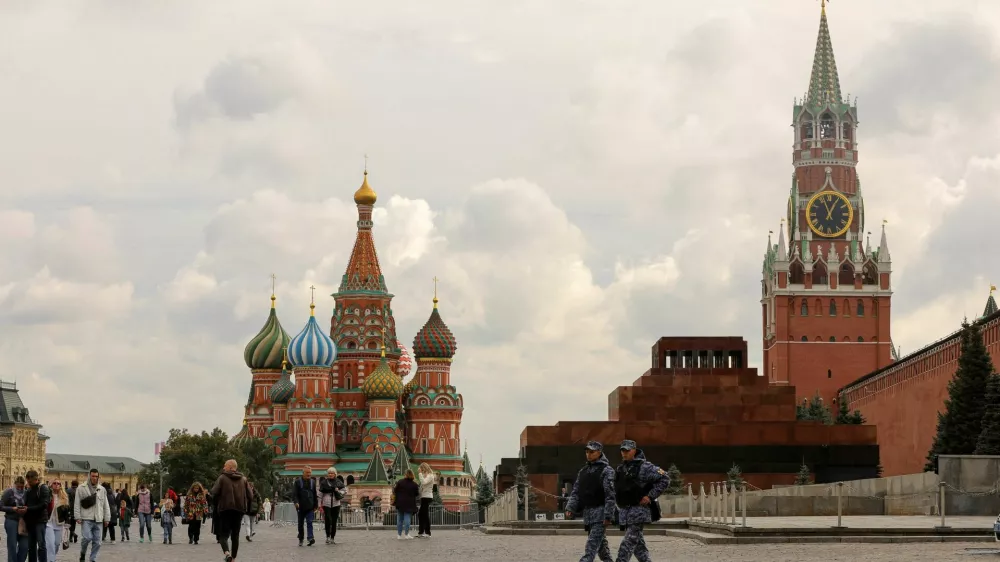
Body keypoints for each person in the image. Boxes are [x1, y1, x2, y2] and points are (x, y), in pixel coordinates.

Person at [614, 440, 669, 562]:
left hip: (638, 511)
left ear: (634, 450)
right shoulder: (621, 468)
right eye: (622, 450)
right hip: (625, 512)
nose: (624, 453)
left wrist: (650, 496)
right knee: (639, 547)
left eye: (627, 450)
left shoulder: (645, 466)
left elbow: (665, 478)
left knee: (626, 545)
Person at [565, 441, 616, 562]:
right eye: (587, 452)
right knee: (602, 549)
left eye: (592, 452)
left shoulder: (607, 470)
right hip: (588, 514)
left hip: (601, 513)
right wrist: (570, 508)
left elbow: (610, 495)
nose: (588, 454)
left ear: (599, 452)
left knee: (591, 548)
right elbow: (576, 491)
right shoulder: (583, 471)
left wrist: (608, 515)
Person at [210, 459, 250, 562]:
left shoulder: (222, 478)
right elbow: (250, 495)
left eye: (225, 466)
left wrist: (216, 503)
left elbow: (214, 492)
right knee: (235, 535)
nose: (223, 468)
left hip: (225, 509)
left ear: (231, 467)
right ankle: (234, 558)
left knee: (223, 534)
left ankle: (227, 553)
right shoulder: (244, 479)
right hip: (239, 510)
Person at [74, 468, 111, 562]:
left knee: (98, 542)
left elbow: (105, 505)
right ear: (89, 476)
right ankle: (83, 553)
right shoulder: (81, 488)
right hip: (86, 518)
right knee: (87, 537)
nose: (95, 478)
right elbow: (77, 503)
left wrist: (107, 518)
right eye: (93, 476)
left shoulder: (102, 489)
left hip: (98, 518)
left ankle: (92, 559)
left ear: (98, 477)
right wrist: (77, 516)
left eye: (96, 476)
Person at [24, 469, 52, 562]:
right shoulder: (29, 490)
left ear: (36, 479)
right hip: (30, 522)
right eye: (28, 481)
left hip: (40, 521)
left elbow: (44, 504)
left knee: (41, 545)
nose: (29, 483)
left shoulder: (43, 488)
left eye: (30, 481)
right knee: (31, 546)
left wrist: (28, 508)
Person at [2, 476, 30, 562]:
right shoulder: (9, 493)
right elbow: (1, 506)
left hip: (23, 522)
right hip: (11, 520)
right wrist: (12, 509)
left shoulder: (26, 493)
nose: (20, 488)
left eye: (22, 487)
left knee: (25, 546)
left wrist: (26, 509)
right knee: (12, 546)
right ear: (15, 485)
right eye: (18, 487)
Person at [45, 480, 71, 562]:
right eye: (54, 483)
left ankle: (51, 557)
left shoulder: (64, 497)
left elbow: (67, 513)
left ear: (60, 486)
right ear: (51, 485)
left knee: (56, 544)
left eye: (58, 483)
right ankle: (51, 560)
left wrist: (67, 524)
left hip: (59, 524)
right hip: (48, 523)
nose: (56, 485)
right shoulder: (48, 495)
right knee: (50, 544)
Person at [318, 467, 345, 544]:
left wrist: (338, 491)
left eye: (332, 473)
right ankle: (328, 536)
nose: (330, 474)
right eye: (329, 473)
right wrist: (319, 504)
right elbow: (320, 494)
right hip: (326, 503)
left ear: (335, 474)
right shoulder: (324, 482)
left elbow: (345, 490)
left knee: (334, 521)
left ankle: (332, 537)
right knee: (328, 520)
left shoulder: (338, 482)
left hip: (336, 503)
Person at [392, 470, 420, 540]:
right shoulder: (414, 484)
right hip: (409, 503)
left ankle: (399, 535)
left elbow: (395, 490)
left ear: (405, 475)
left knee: (400, 519)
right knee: (407, 518)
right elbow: (417, 494)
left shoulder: (400, 482)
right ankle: (406, 534)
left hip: (400, 502)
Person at [293, 466, 317, 547]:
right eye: (307, 472)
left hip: (310, 506)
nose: (309, 474)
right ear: (303, 473)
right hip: (300, 507)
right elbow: (295, 494)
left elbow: (314, 494)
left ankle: (310, 538)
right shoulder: (297, 482)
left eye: (310, 473)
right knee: (300, 524)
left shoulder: (313, 482)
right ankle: (301, 538)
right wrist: (296, 502)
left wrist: (315, 505)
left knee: (310, 522)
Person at [415, 463, 435, 538]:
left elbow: (424, 482)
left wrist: (420, 474)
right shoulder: (425, 476)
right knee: (422, 514)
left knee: (424, 514)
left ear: (424, 468)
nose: (421, 471)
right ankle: (422, 532)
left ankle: (427, 532)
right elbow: (422, 486)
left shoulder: (430, 475)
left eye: (422, 469)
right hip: (423, 496)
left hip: (427, 496)